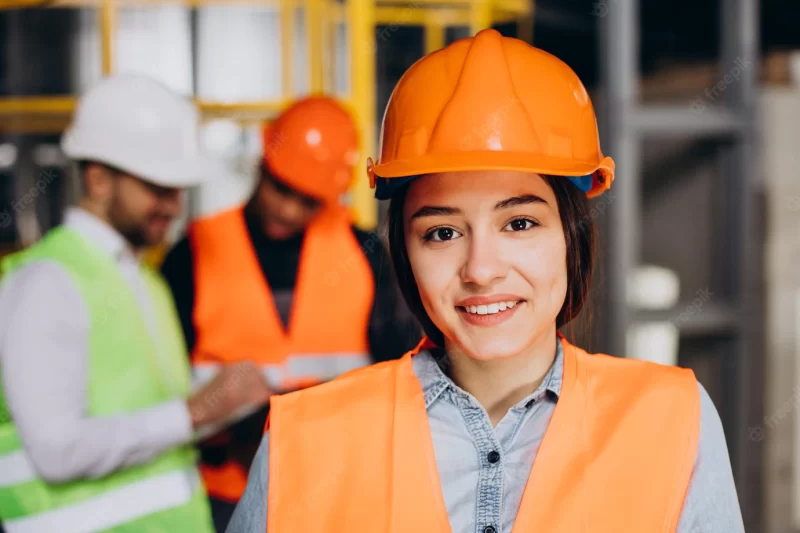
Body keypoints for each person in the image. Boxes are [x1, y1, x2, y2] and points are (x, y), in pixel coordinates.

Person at [226, 29, 746, 532]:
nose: (480, 269)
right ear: (405, 253)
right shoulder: (304, 440)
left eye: (519, 224)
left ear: (572, 235)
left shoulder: (673, 421)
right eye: (443, 232)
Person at [0, 74, 272, 533]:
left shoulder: (146, 282)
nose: (173, 204)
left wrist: (225, 407)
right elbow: (56, 450)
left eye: (179, 188)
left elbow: (154, 415)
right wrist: (196, 410)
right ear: (99, 178)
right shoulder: (46, 282)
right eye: (157, 186)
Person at [160, 95, 421, 531]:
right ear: (262, 163)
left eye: (308, 201)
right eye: (280, 189)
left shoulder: (365, 255)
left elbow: (403, 370)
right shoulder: (193, 253)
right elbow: (160, 390)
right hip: (224, 493)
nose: (288, 210)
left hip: (337, 487)